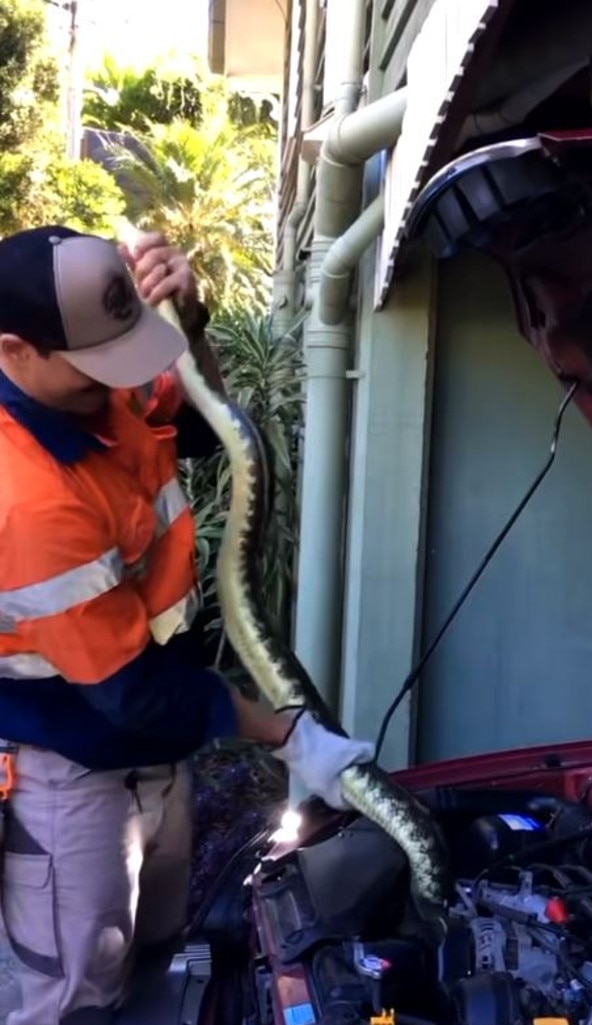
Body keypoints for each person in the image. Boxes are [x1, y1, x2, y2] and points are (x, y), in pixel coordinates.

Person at [0, 224, 374, 1025]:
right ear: (15, 350)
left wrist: (192, 327)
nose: (124, 383)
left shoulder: (102, 376)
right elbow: (133, 693)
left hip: (159, 748)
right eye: (100, 368)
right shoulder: (23, 496)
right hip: (73, 766)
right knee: (76, 1001)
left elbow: (204, 425)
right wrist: (287, 732)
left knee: (163, 972)